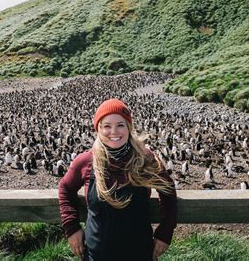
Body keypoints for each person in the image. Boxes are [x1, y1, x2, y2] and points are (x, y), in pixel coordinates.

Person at [59, 98, 177, 260]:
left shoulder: (145, 159)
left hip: (139, 254)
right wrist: (71, 228)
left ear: (128, 127)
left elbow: (168, 190)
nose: (114, 132)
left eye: (120, 125)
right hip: (96, 255)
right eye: (107, 126)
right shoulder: (86, 161)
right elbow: (65, 188)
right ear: (98, 129)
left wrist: (165, 231)